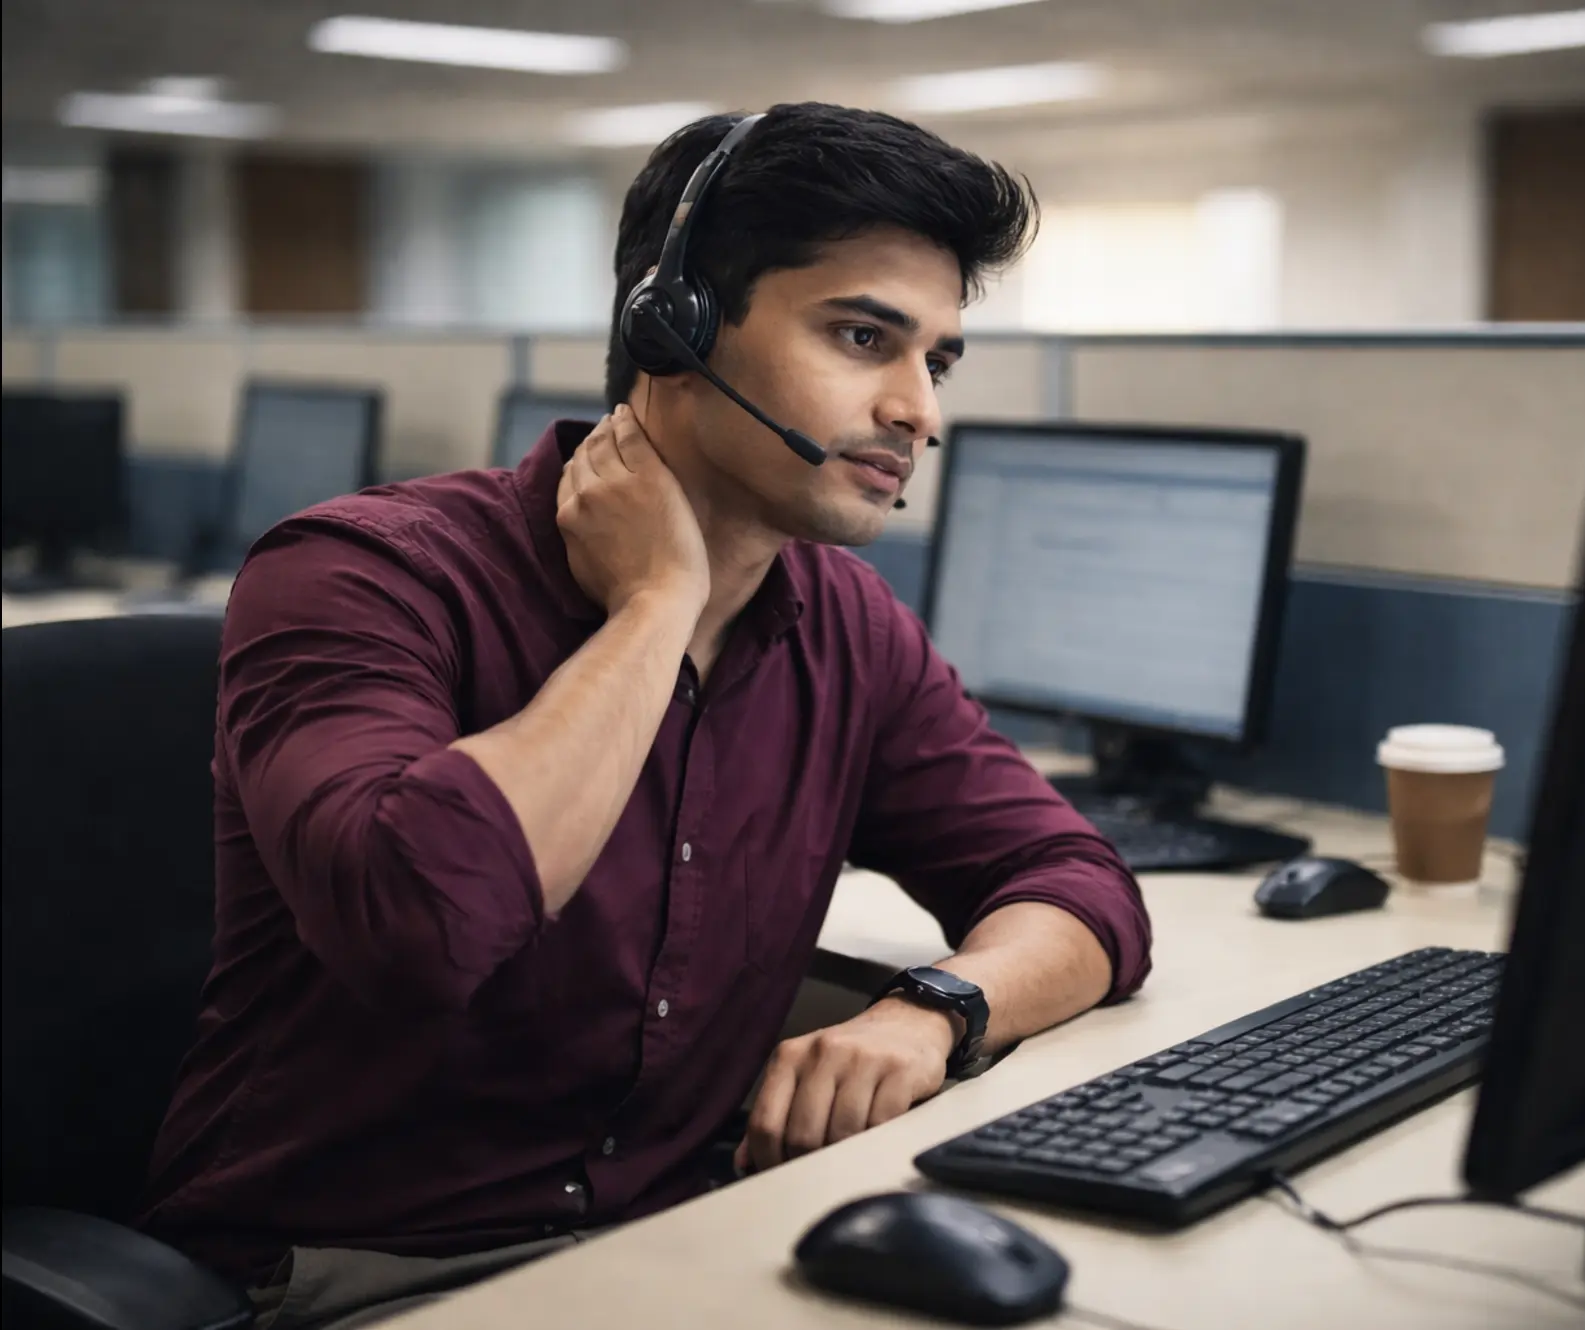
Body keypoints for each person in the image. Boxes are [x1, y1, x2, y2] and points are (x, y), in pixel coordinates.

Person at [140, 103, 1152, 1329]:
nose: (915, 410)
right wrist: (653, 606)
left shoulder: (847, 627)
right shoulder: (362, 575)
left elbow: (1075, 880)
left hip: (678, 1246)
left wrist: (937, 1008)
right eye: (860, 335)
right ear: (671, 323)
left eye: (932, 360)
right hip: (355, 1273)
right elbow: (421, 922)